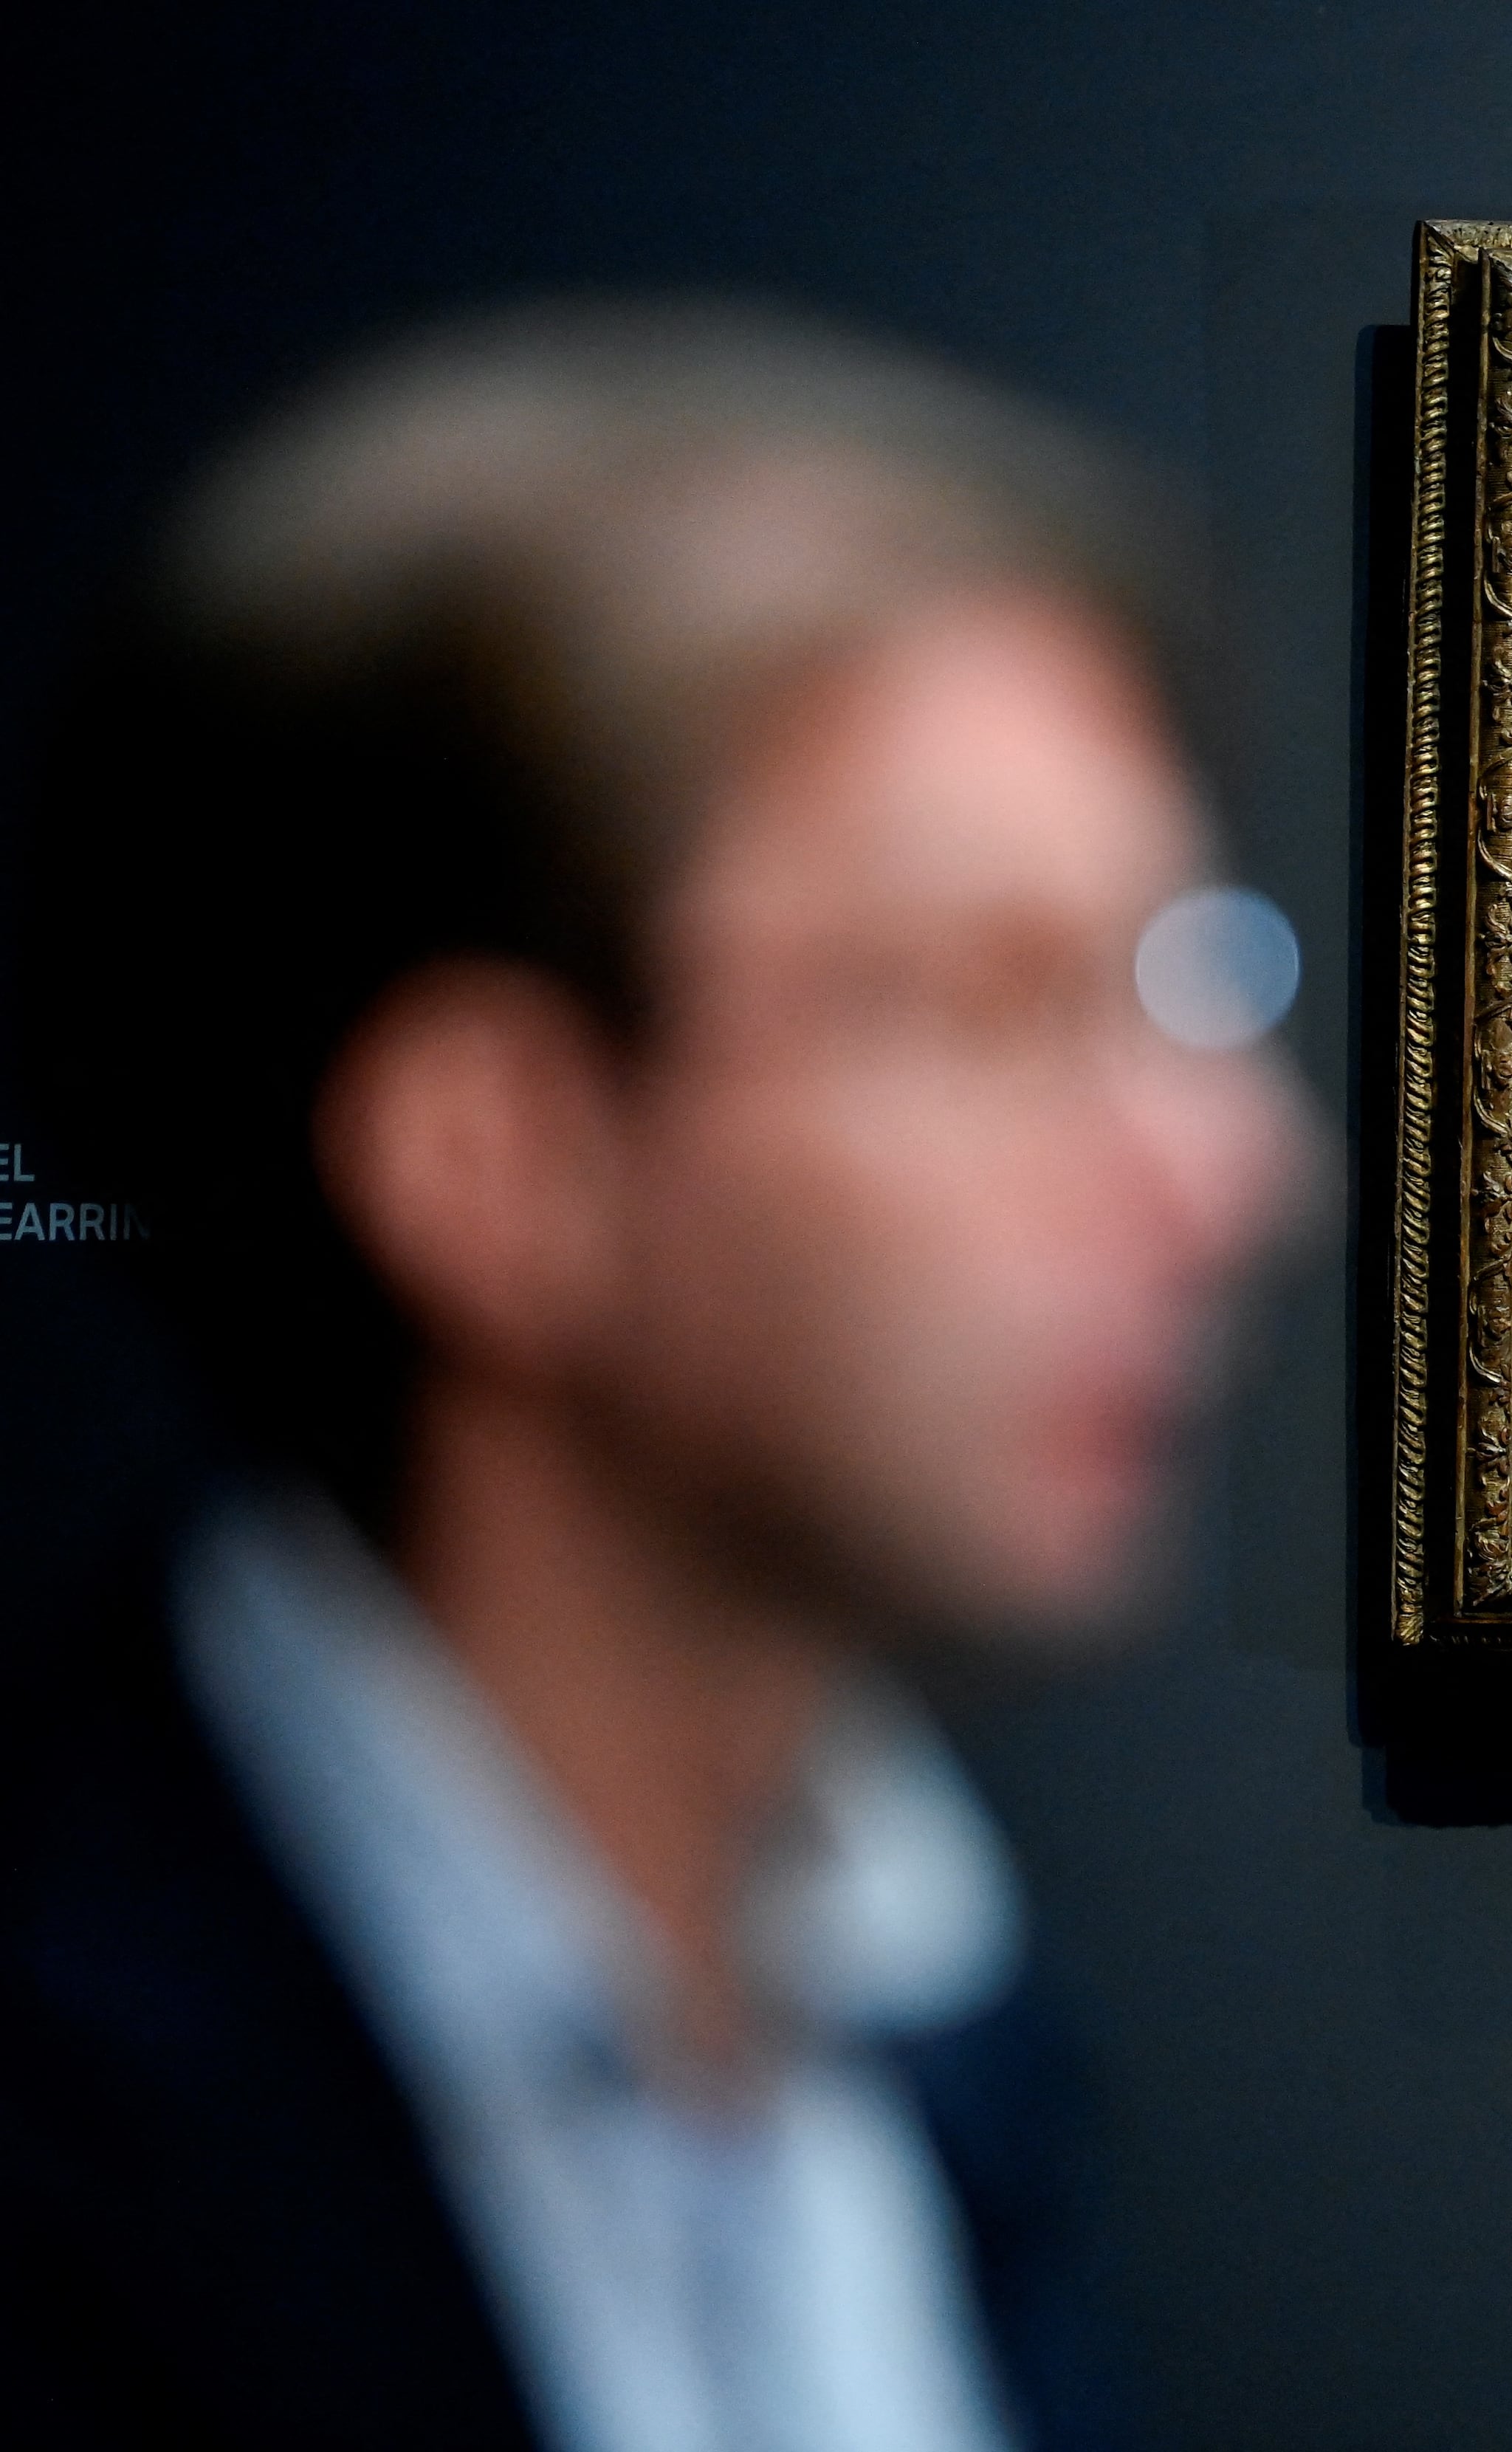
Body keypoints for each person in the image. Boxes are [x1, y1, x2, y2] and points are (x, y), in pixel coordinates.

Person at [0, 303, 1312, 2449]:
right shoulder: (80, 2132)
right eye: (994, 1004)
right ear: (491, 1156)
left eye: (1180, 983)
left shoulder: (953, 2051)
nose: (1238, 1170)